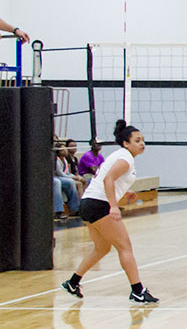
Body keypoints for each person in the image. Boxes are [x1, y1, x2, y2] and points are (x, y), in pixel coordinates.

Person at [60, 120, 159, 305]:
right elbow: (108, 180)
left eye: (142, 140)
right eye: (137, 140)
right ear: (126, 143)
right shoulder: (125, 158)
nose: (142, 143)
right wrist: (113, 206)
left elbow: (107, 181)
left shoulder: (121, 156)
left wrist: (124, 193)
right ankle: (137, 291)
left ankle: (73, 283)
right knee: (125, 247)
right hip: (99, 205)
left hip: (89, 204)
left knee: (102, 248)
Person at [53, 141, 81, 219]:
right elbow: (60, 174)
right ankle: (58, 211)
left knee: (71, 182)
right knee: (57, 182)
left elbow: (67, 173)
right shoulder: (56, 160)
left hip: (61, 177)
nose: (65, 151)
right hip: (55, 177)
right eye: (63, 149)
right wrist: (72, 177)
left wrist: (73, 177)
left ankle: (74, 209)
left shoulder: (65, 160)